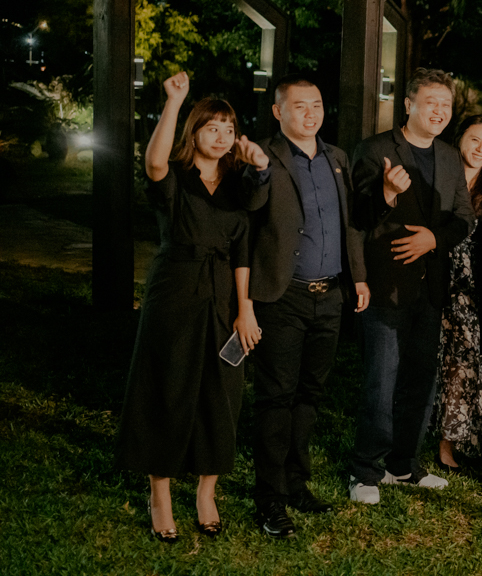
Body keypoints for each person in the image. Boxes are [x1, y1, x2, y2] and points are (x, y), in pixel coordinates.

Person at [117, 71, 268, 541]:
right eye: (211, 128)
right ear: (195, 131)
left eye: (228, 129)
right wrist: (174, 101)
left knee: (222, 390)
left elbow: (243, 249)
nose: (221, 137)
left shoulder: (238, 183)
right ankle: (159, 493)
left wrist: (245, 308)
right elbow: (153, 162)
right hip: (176, 289)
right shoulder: (177, 178)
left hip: (224, 294)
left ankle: (207, 492)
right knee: (168, 384)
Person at [243, 75, 369, 539]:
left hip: (330, 295)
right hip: (283, 295)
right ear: (279, 112)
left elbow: (350, 224)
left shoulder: (337, 158)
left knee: (310, 395)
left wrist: (358, 277)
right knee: (276, 397)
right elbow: (248, 205)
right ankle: (269, 498)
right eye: (300, 106)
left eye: (316, 104)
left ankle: (296, 484)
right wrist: (257, 172)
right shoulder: (263, 155)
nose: (311, 113)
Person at [348, 68, 476, 504]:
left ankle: (402, 464)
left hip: (430, 287)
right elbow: (357, 218)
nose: (439, 111)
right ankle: (365, 471)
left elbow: (464, 218)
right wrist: (385, 194)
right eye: (431, 102)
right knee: (381, 381)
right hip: (385, 284)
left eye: (446, 105)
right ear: (409, 105)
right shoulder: (375, 149)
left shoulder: (449, 156)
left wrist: (434, 239)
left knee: (420, 379)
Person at [436, 115, 482, 470]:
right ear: (460, 137)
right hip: (433, 277)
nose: (481, 149)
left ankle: (448, 441)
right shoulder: (439, 174)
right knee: (429, 360)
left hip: (470, 290)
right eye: (475, 139)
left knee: (461, 364)